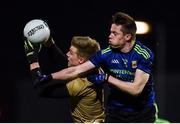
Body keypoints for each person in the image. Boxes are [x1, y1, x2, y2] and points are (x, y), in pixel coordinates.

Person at [28, 11, 157, 122]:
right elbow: (75, 69)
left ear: (128, 37)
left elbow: (135, 90)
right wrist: (50, 77)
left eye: (114, 33)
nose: (109, 36)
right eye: (110, 32)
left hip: (142, 114)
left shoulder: (143, 55)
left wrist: (107, 78)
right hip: (115, 113)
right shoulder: (106, 54)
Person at [24, 36, 105, 123]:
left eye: (71, 53)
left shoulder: (80, 84)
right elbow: (63, 64)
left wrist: (32, 59)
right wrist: (48, 41)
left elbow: (41, 89)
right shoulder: (94, 68)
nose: (67, 54)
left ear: (81, 60)